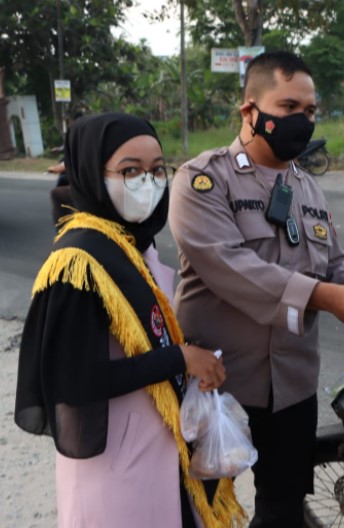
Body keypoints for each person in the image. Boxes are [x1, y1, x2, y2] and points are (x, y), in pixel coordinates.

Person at [168, 51, 344, 528]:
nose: (302, 121)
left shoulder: (308, 189)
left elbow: (336, 267)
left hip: (291, 386)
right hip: (217, 384)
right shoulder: (203, 180)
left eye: (310, 111)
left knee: (283, 507)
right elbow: (227, 263)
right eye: (289, 107)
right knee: (195, 507)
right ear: (250, 110)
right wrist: (322, 298)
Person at [14, 112, 245, 528]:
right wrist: (179, 359)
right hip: (116, 476)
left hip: (156, 454)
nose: (148, 182)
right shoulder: (78, 262)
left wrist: (187, 358)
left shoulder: (127, 243)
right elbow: (74, 381)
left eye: (158, 170)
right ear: (90, 173)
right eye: (130, 171)